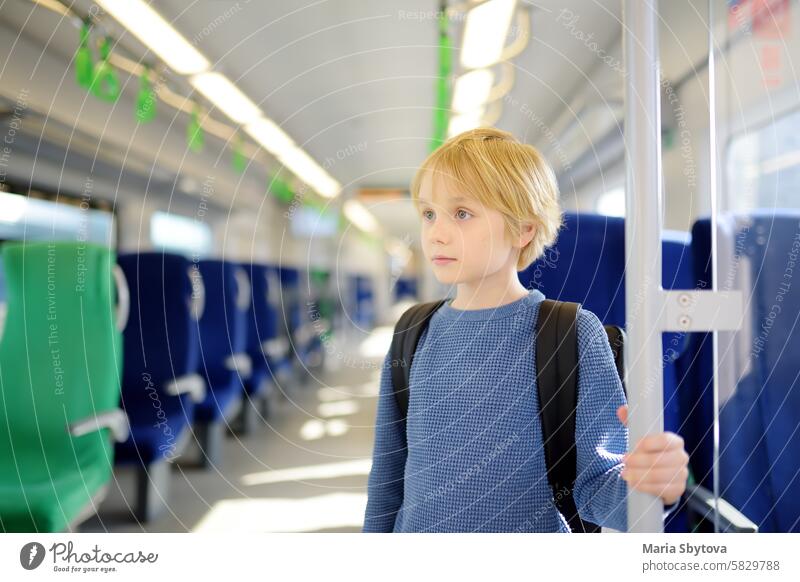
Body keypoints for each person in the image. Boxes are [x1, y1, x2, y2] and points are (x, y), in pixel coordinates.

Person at [362, 127, 689, 533]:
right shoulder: (413, 331)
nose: (436, 232)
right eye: (429, 213)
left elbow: (598, 489)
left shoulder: (572, 334)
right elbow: (388, 479)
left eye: (462, 213)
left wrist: (654, 487)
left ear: (523, 230)